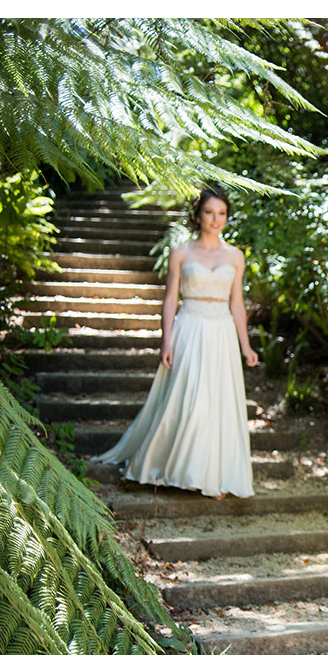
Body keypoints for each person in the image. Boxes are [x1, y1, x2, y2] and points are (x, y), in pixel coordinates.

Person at [96, 187, 259, 498]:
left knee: (217, 401)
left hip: (222, 332)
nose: (216, 219)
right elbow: (170, 299)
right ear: (198, 215)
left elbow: (237, 304)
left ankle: (213, 475)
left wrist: (245, 345)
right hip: (190, 327)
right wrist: (166, 341)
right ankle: (171, 467)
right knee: (188, 396)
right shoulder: (181, 253)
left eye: (222, 213)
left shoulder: (236, 256)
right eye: (210, 212)